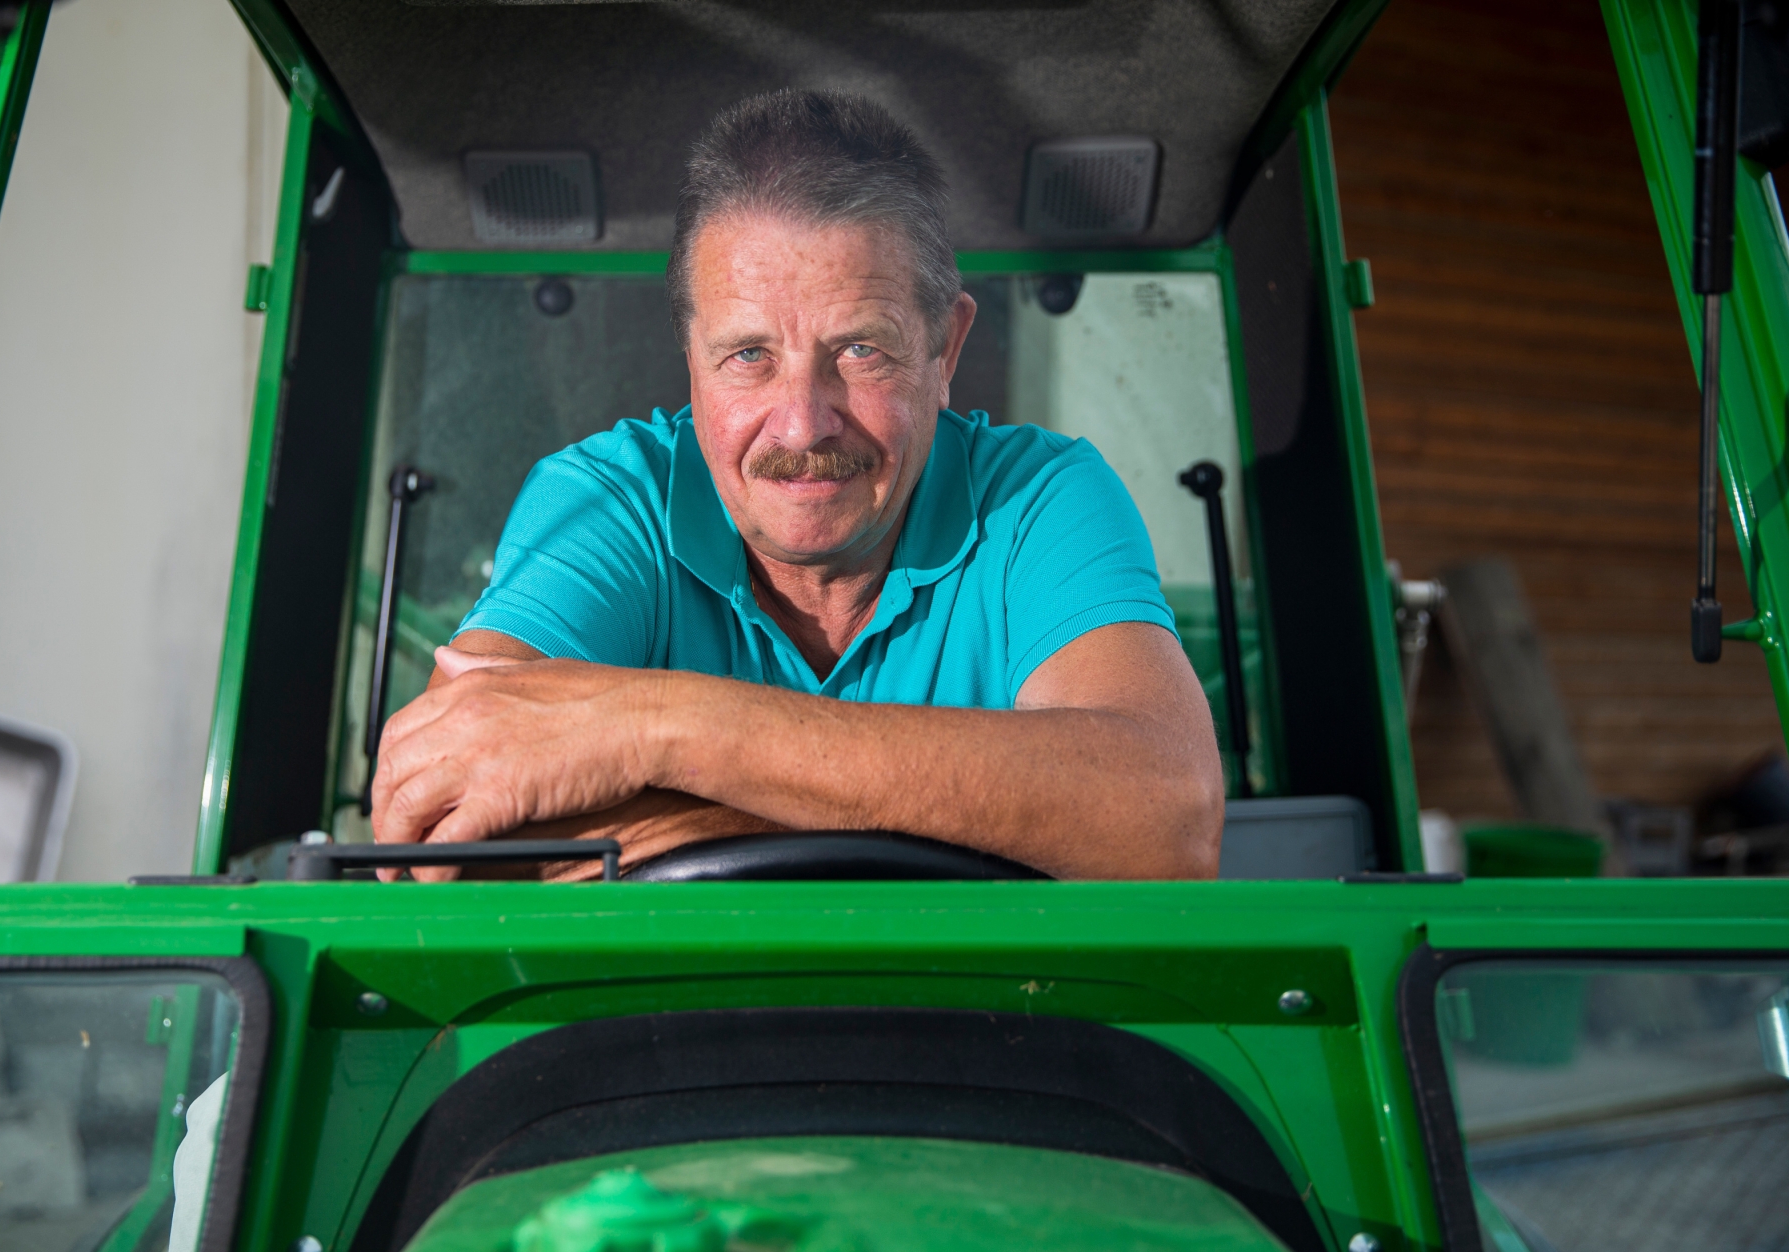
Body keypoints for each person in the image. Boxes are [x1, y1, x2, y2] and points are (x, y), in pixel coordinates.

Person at [370, 89, 1222, 880]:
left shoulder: (1041, 499)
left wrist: (651, 727)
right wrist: (993, 820)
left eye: (862, 350)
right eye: (749, 356)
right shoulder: (606, 499)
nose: (803, 423)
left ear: (946, 350)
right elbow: (441, 812)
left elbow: (1166, 816)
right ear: (691, 362)